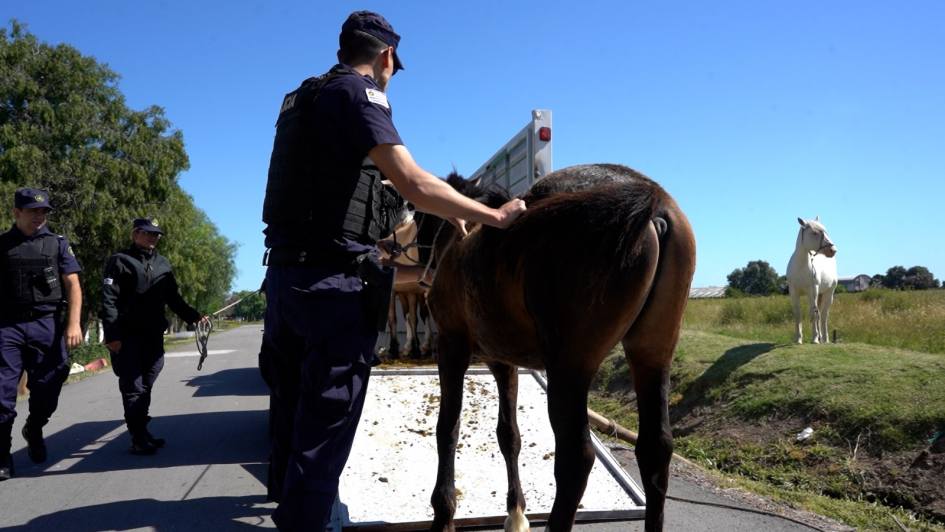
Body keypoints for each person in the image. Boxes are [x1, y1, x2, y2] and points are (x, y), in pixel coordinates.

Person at [261, 10, 526, 531]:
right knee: (325, 430)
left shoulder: (298, 99)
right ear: (385, 56)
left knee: (290, 415)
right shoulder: (360, 96)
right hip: (331, 289)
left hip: (285, 281)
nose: (391, 76)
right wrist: (494, 214)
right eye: (393, 67)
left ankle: (289, 506)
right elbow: (411, 181)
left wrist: (445, 209)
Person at [100, 218, 208, 455]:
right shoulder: (120, 261)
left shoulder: (162, 263)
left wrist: (194, 316)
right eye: (148, 233)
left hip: (152, 336)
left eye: (156, 235)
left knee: (146, 383)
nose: (153, 238)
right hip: (126, 335)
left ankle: (142, 429)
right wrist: (112, 335)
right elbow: (108, 300)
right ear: (135, 234)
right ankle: (137, 438)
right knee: (133, 387)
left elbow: (173, 298)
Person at [0, 188, 83, 481]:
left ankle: (34, 427)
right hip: (6, 327)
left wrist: (74, 324)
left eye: (44, 211)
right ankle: (2, 456)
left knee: (48, 386)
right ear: (16, 213)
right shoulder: (2, 245)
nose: (39, 216)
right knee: (1, 396)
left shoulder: (57, 244)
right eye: (33, 210)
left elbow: (72, 284)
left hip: (46, 324)